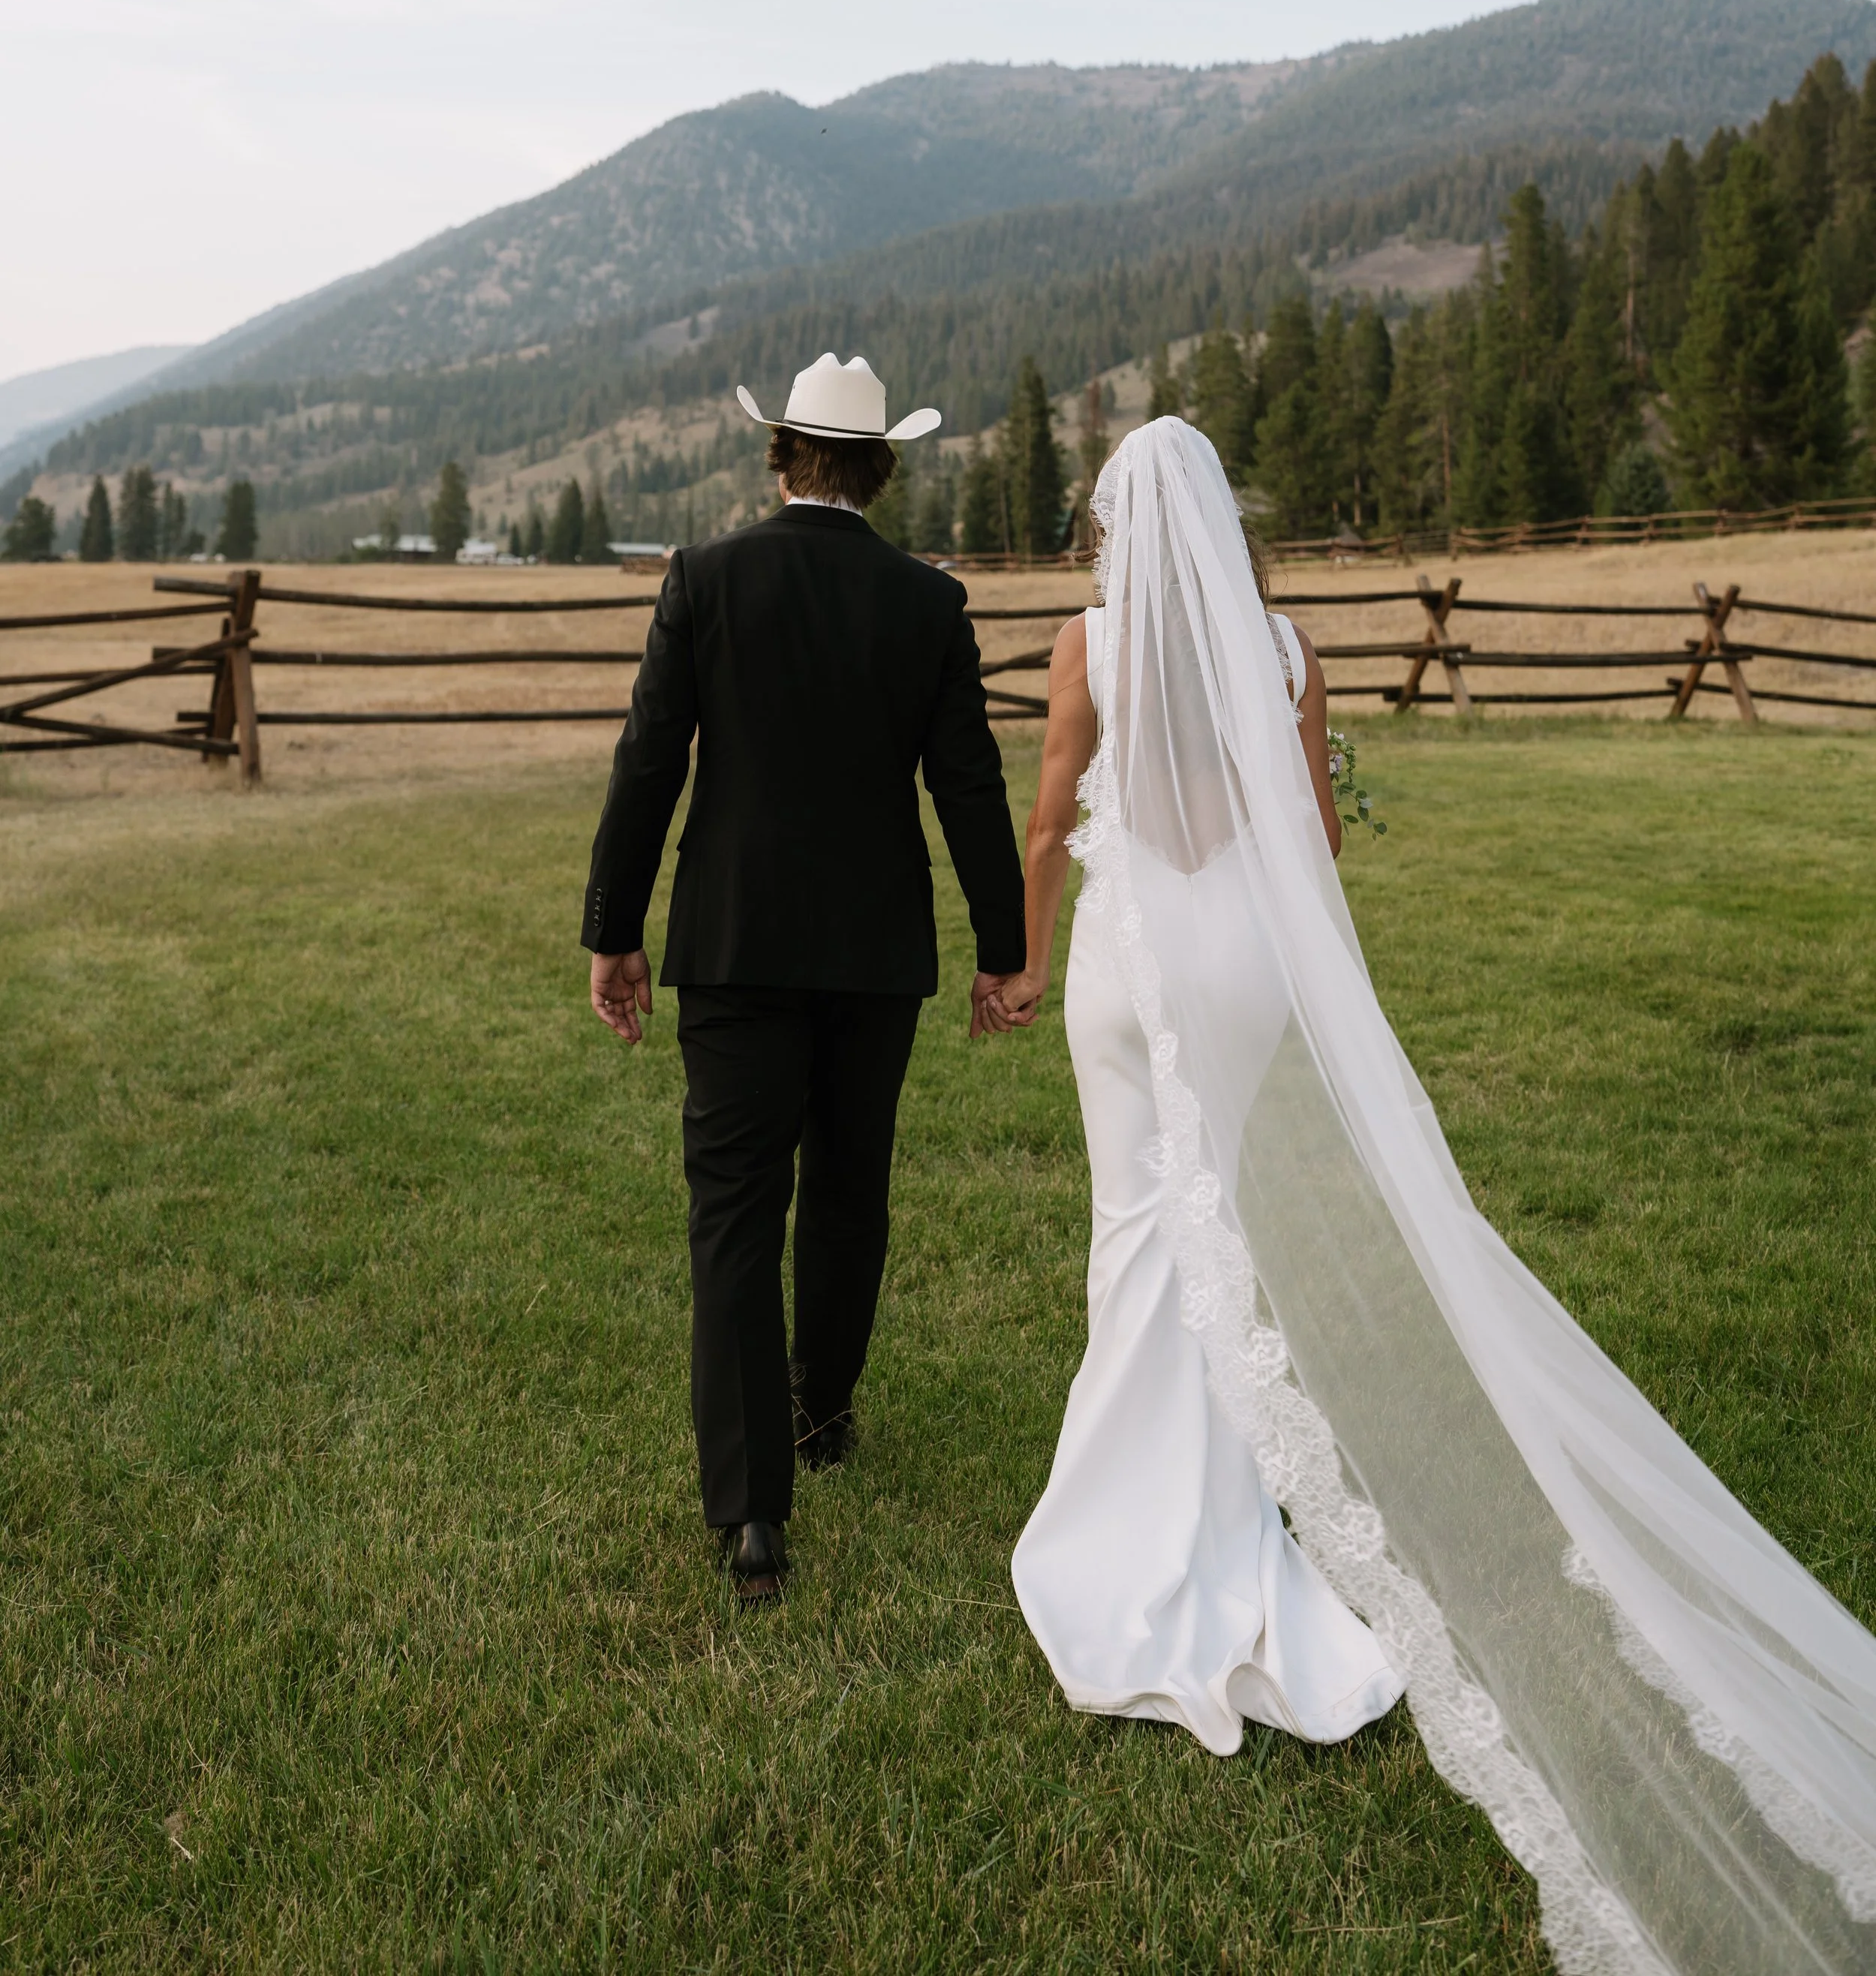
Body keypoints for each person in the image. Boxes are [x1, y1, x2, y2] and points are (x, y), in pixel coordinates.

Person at [989, 417, 1876, 1976]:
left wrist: (1028, 952)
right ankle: (1206, 1518)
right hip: (1250, 976)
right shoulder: (1282, 644)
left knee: (1135, 1230)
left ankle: (1135, 1537)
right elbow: (1311, 846)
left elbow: (1056, 816)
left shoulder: (1084, 642)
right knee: (1229, 1234)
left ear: (1114, 530)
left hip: (1131, 977)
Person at [582, 353, 1027, 1606]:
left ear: (781, 455)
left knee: (731, 1207)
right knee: (846, 1185)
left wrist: (615, 927)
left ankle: (751, 1513)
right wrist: (1005, 947)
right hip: (877, 953)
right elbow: (970, 785)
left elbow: (647, 763)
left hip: (732, 943)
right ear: (881, 468)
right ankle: (823, 1412)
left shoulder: (705, 577)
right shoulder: (928, 605)